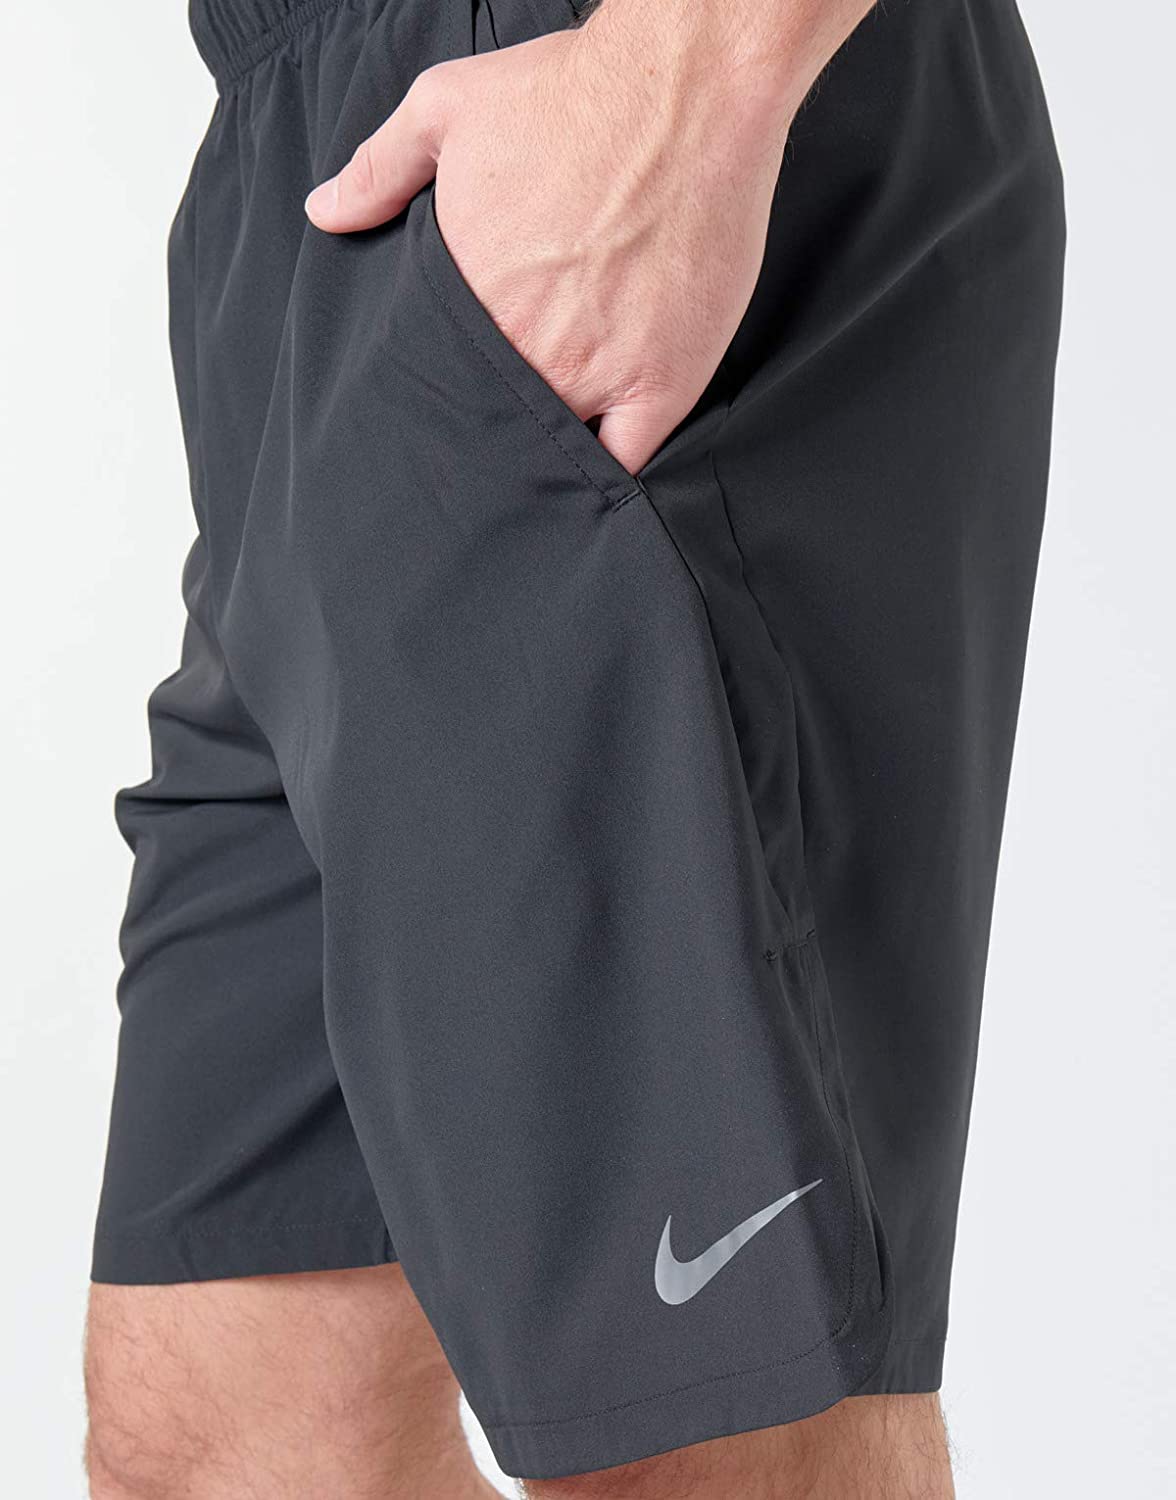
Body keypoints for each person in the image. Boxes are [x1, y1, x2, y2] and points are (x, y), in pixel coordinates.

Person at [84, 0, 1064, 1495]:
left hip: (609, 100)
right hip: (303, 164)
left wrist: (689, 80)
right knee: (230, 1434)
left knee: (699, 1430)